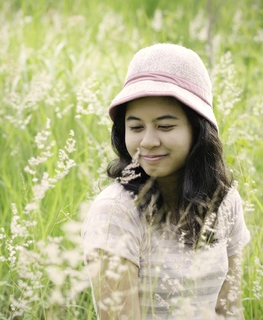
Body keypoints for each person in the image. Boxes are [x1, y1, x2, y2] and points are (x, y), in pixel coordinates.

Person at [81, 43, 251, 319]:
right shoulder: (115, 212)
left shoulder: (225, 201)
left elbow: (230, 309)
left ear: (198, 130)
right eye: (135, 127)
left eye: (165, 126)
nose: (148, 142)